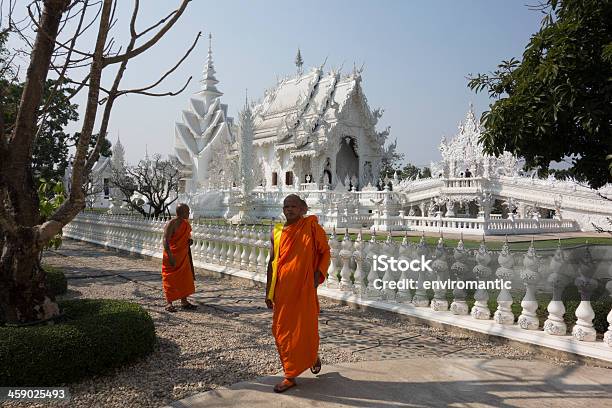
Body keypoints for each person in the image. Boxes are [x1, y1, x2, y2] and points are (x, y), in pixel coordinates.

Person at [266, 194, 331, 393]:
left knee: (304, 328)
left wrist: (317, 275)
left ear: (303, 208)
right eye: (286, 206)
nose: (289, 209)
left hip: (303, 289)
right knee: (281, 331)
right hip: (283, 290)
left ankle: (290, 375)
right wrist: (268, 290)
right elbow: (271, 261)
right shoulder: (277, 232)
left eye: (293, 206)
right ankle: (309, 357)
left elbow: (325, 252)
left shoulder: (311, 227)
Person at [162, 203, 197, 312]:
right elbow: (165, 241)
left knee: (184, 278)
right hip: (171, 254)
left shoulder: (185, 224)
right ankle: (169, 303)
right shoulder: (172, 223)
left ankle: (184, 301)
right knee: (170, 279)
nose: (189, 213)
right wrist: (170, 256)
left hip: (183, 255)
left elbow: (184, 238)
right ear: (181, 213)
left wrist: (189, 241)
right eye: (187, 211)